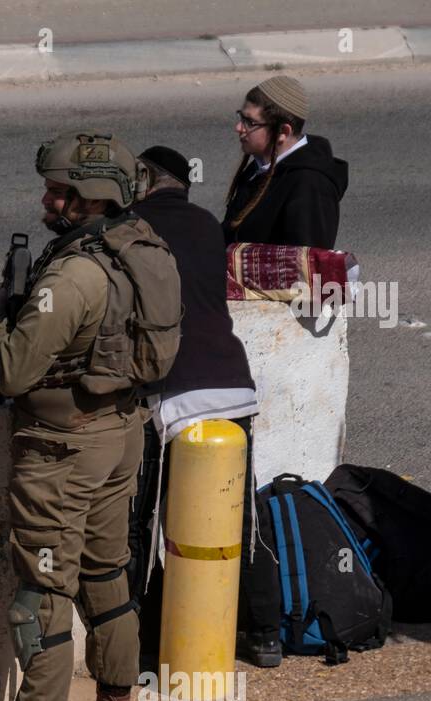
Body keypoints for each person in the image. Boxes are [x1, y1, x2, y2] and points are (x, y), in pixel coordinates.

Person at [0, 131, 182, 701]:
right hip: (120, 436)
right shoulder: (140, 248)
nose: (49, 200)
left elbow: (9, 371)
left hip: (61, 454)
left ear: (92, 197)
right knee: (108, 579)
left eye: (61, 191)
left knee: (41, 598)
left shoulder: (75, 276)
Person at [125, 146, 280, 672]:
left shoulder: (129, 227)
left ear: (144, 179)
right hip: (232, 383)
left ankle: (138, 641)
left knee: (142, 518)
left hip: (172, 390)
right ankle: (264, 635)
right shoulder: (209, 226)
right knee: (241, 516)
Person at [223, 75, 348, 249]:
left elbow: (305, 264)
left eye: (250, 122)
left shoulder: (309, 185)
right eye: (241, 117)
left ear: (283, 131)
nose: (239, 128)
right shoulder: (261, 166)